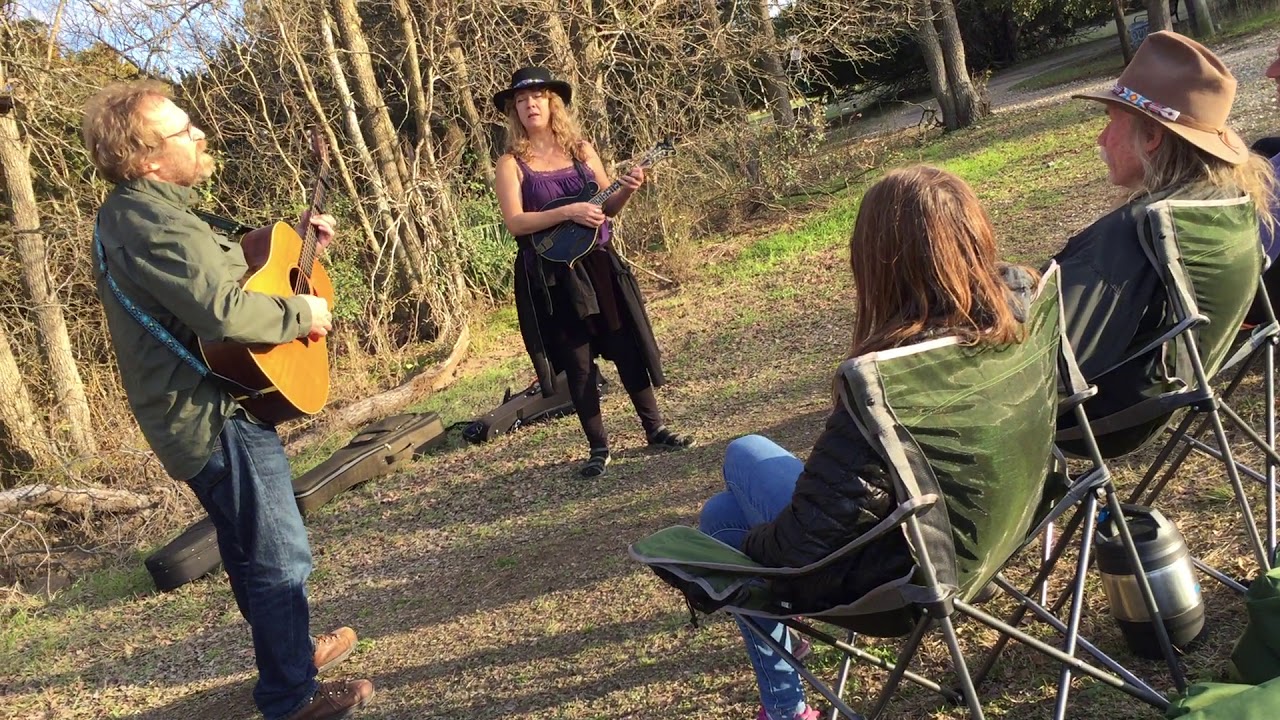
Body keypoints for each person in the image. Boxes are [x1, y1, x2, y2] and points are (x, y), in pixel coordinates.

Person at [697, 166, 1039, 720]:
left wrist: (748, 553)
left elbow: (802, 548)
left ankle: (786, 708)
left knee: (726, 504)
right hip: (1002, 523)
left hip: (912, 571)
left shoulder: (886, 380)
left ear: (882, 264)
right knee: (736, 479)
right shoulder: (1019, 312)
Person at [82, 81, 373, 720]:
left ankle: (289, 651)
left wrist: (304, 254)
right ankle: (291, 697)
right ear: (146, 159)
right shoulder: (146, 220)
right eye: (183, 131)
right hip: (212, 415)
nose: (200, 136)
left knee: (250, 546)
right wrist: (302, 312)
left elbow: (235, 278)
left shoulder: (159, 210)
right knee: (278, 550)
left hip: (221, 403)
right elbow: (223, 313)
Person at [1054, 31, 1274, 435]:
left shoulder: (1128, 237)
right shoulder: (1228, 203)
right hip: (1169, 393)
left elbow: (1041, 361)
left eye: (1111, 124)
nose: (1101, 139)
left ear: (1152, 137)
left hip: (1100, 416)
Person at [492, 67, 692, 477]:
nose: (531, 105)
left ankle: (655, 430)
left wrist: (627, 189)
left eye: (539, 97)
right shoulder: (511, 163)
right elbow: (515, 223)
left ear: (553, 104)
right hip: (551, 276)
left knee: (625, 345)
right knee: (578, 362)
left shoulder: (582, 150)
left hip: (598, 262)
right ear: (515, 110)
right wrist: (568, 211)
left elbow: (606, 208)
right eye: (522, 100)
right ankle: (598, 447)